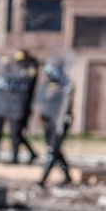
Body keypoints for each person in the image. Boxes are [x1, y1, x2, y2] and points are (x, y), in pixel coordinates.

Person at [0, 50, 39, 164]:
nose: (19, 63)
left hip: (21, 107)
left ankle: (16, 156)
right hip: (7, 105)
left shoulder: (30, 70)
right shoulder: (13, 70)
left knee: (16, 132)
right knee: (4, 131)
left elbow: (30, 78)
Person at [36, 58, 73, 187]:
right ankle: (68, 176)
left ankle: (43, 179)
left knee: (52, 149)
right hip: (49, 121)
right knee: (54, 150)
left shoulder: (64, 84)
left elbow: (65, 103)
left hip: (60, 122)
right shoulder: (46, 85)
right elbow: (41, 100)